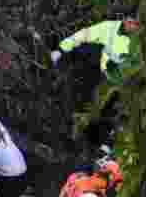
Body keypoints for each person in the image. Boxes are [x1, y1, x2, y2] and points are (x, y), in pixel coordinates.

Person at [52, 18, 140, 148]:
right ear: (126, 20)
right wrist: (61, 49)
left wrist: (122, 70)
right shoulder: (109, 28)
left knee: (110, 112)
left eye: (136, 24)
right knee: (86, 101)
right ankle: (72, 136)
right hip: (102, 75)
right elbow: (85, 34)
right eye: (130, 22)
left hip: (123, 82)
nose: (132, 27)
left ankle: (101, 144)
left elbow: (139, 63)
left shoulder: (141, 40)